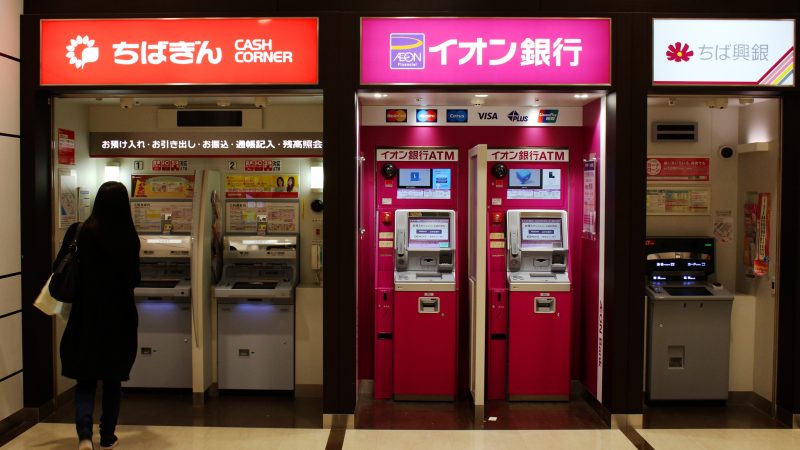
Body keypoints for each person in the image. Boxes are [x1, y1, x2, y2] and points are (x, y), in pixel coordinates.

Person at [56, 181, 141, 450]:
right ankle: (107, 435)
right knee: (113, 379)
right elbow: (133, 279)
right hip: (119, 316)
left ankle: (83, 435)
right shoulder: (129, 237)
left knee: (86, 379)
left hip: (86, 314)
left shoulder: (80, 232)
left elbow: (58, 267)